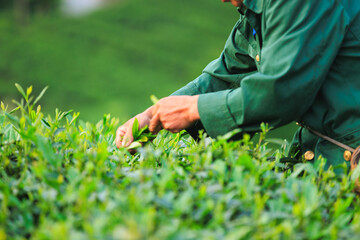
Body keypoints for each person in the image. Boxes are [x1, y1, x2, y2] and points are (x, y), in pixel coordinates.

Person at [116, 0, 360, 174]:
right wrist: (154, 114)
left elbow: (282, 91)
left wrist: (194, 109)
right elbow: (229, 71)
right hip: (323, 155)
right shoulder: (259, 7)